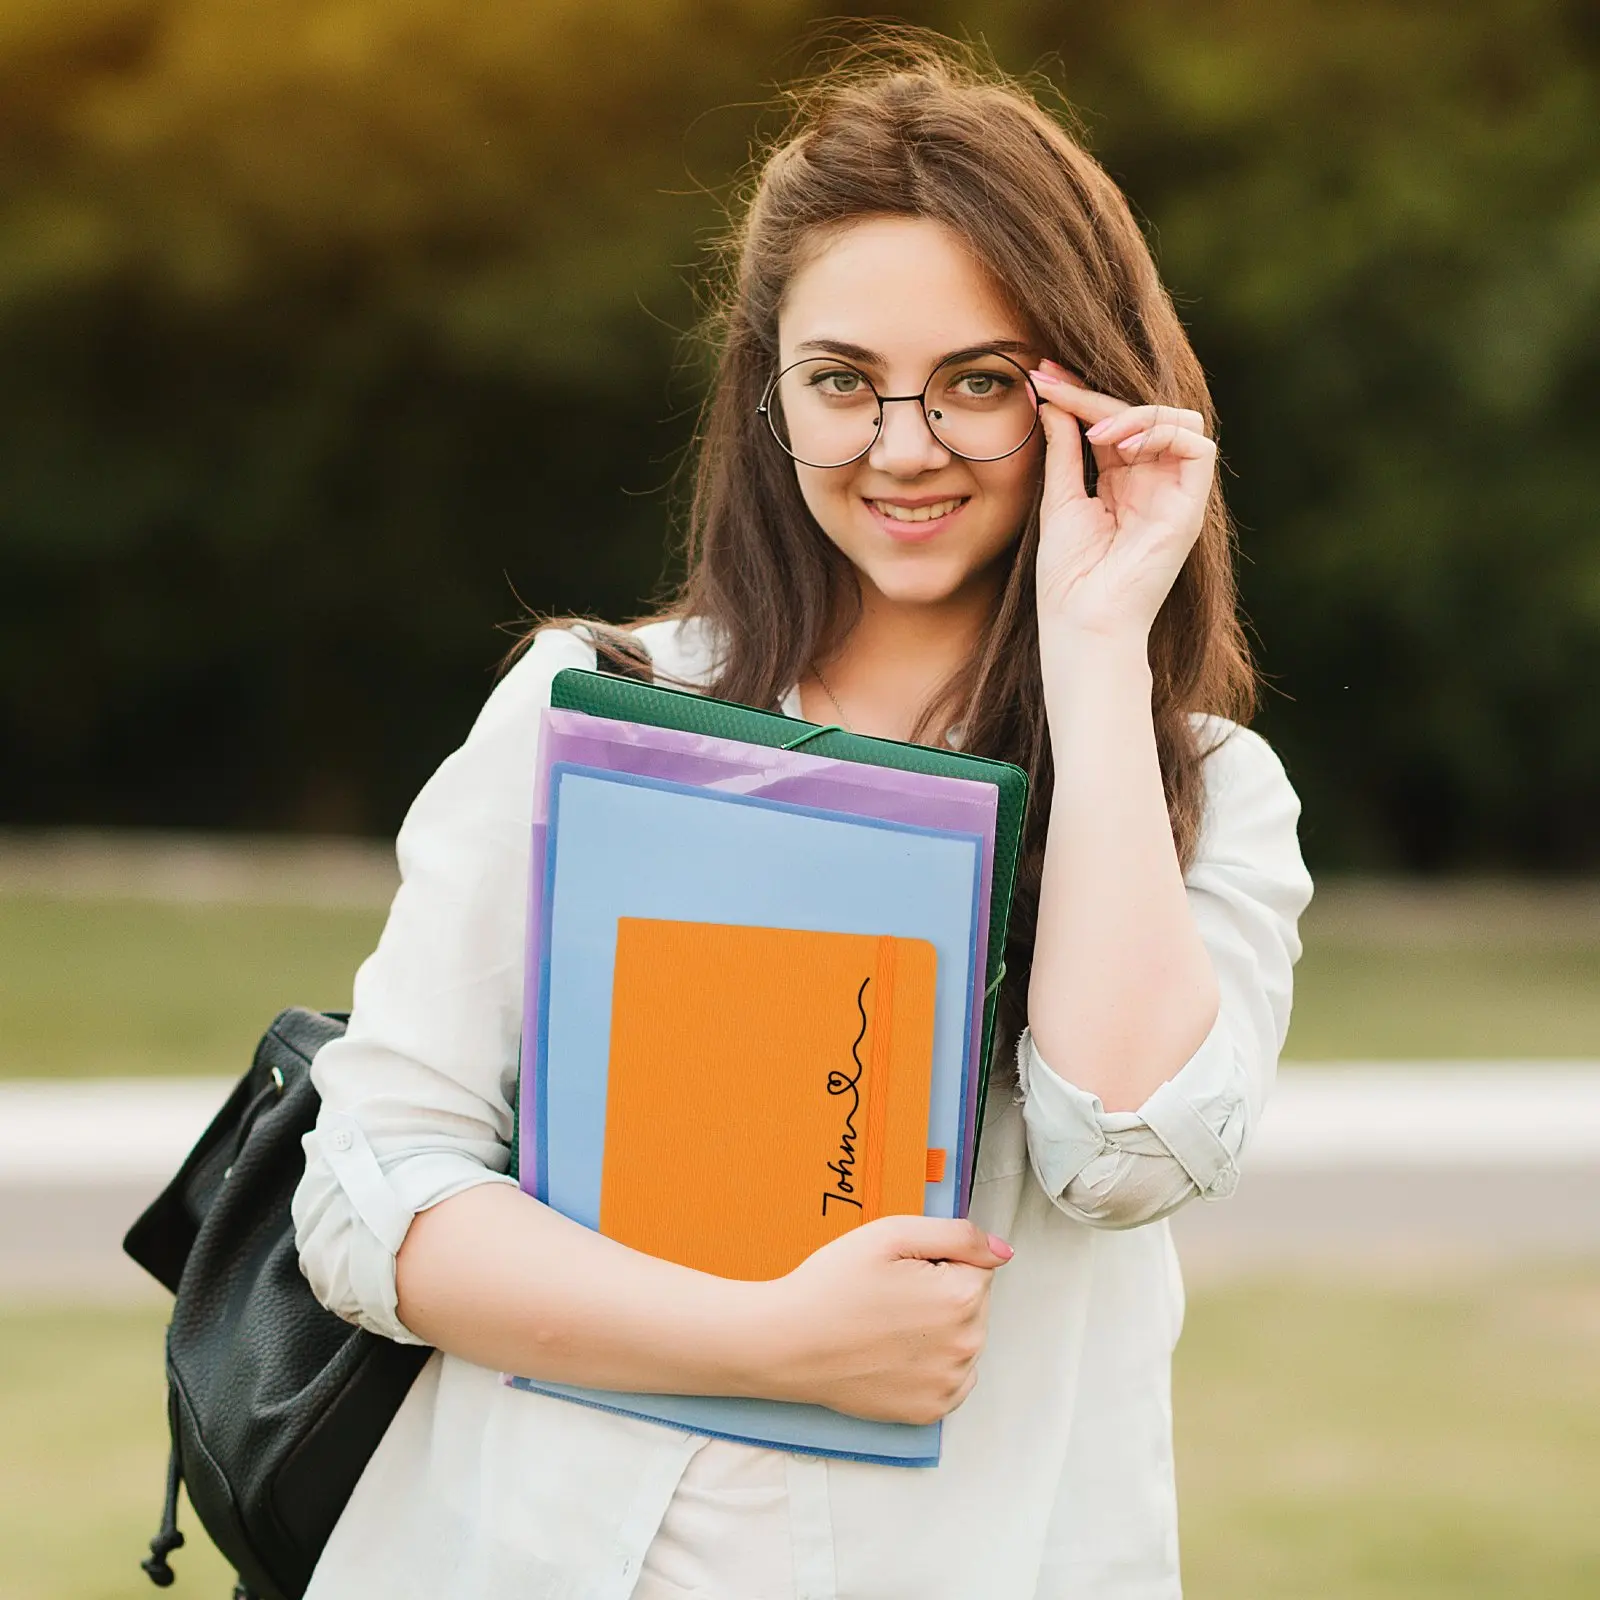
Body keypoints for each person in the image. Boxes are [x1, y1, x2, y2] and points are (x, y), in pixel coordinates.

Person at [291, 33, 1312, 1600]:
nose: (904, 448)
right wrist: (768, 1340)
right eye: (842, 382)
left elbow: (1130, 1152)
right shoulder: (590, 704)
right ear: (768, 395)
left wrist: (1095, 651)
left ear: (1091, 395)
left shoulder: (1196, 793)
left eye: (979, 383)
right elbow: (370, 1200)